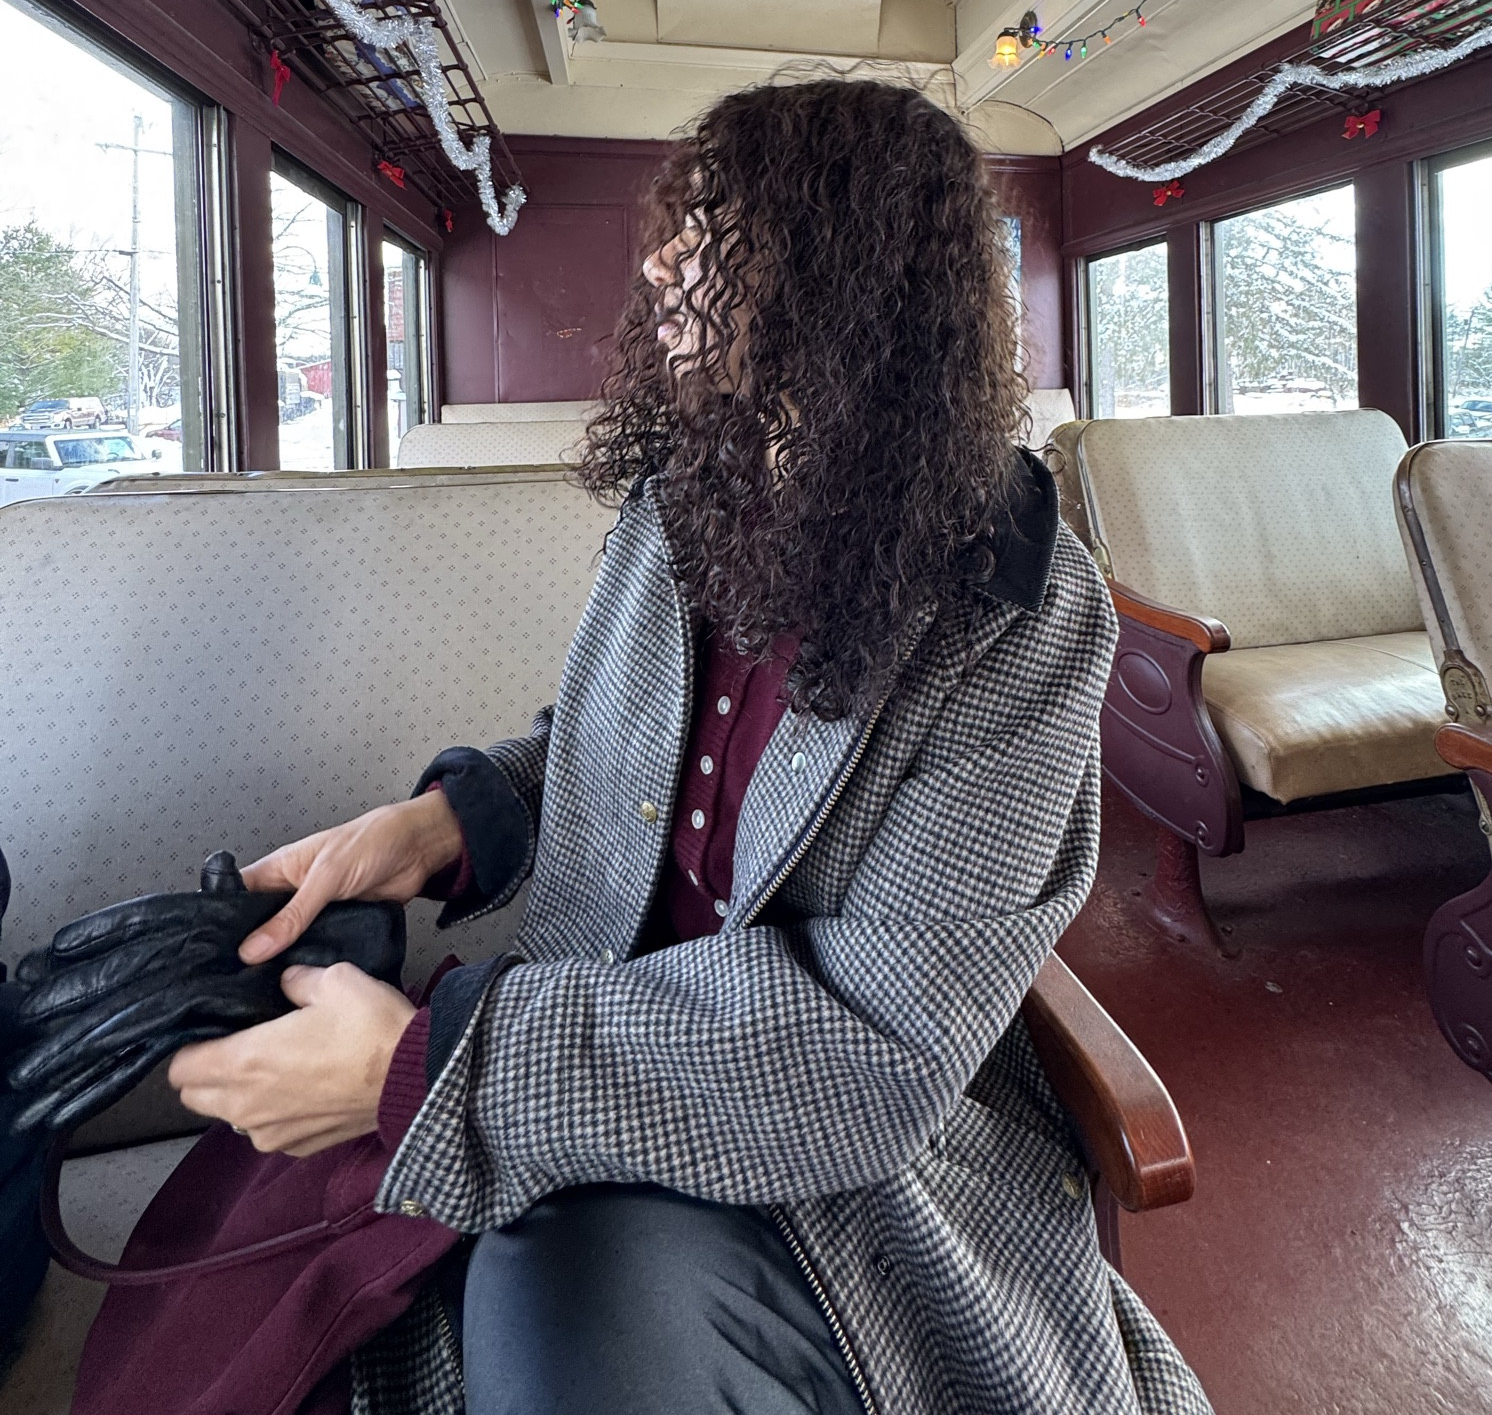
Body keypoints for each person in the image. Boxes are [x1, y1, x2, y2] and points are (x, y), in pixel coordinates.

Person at [168, 79, 1212, 1415]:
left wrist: (425, 1069)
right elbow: (628, 751)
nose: (659, 262)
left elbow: (875, 1050)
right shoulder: (683, 504)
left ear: (841, 270)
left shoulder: (1016, 612)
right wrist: (453, 823)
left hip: (828, 1167)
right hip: (580, 1032)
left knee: (548, 1311)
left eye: (712, 230)